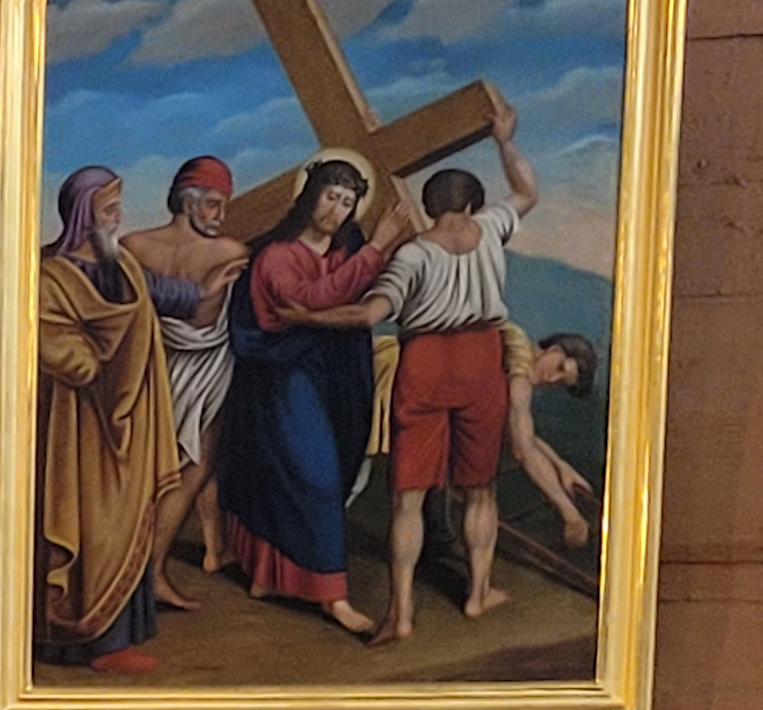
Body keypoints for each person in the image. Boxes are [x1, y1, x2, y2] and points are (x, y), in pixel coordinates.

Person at [365, 98, 541, 645]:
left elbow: (378, 311)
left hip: (424, 361)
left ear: (433, 203)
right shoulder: (490, 229)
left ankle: (402, 613)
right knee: (479, 489)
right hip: (478, 359)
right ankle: (478, 592)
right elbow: (529, 192)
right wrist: (505, 142)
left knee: (408, 497)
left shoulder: (414, 253)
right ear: (472, 201)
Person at [216, 153, 413, 638]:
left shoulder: (345, 251)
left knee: (298, 476)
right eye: (331, 196)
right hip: (283, 381)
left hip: (332, 380)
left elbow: (348, 296)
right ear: (309, 196)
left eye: (348, 202)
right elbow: (314, 299)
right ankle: (333, 597)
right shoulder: (277, 255)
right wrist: (380, 247)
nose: (338, 209)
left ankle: (270, 576)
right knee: (315, 477)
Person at [32, 167, 181, 675]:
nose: (118, 218)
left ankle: (120, 636)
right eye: (108, 210)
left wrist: (215, 286)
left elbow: (161, 296)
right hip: (80, 424)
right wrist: (89, 363)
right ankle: (94, 643)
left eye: (118, 208)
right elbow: (51, 338)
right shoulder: (54, 276)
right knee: (91, 524)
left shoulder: (123, 268)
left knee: (127, 518)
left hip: (129, 423)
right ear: (83, 216)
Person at [123, 156, 248, 598]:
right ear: (187, 201)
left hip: (152, 363)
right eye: (213, 204)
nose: (220, 215)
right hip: (200, 367)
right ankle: (151, 572)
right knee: (192, 466)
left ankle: (210, 551)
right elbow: (201, 313)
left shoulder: (132, 245)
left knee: (162, 464)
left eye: (223, 206)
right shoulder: (229, 252)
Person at [501, 327, 599, 549]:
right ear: (553, 349)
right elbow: (522, 448)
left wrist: (560, 465)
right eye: (559, 367)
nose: (551, 378)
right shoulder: (521, 372)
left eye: (560, 382)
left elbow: (523, 433)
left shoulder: (522, 358)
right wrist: (569, 513)